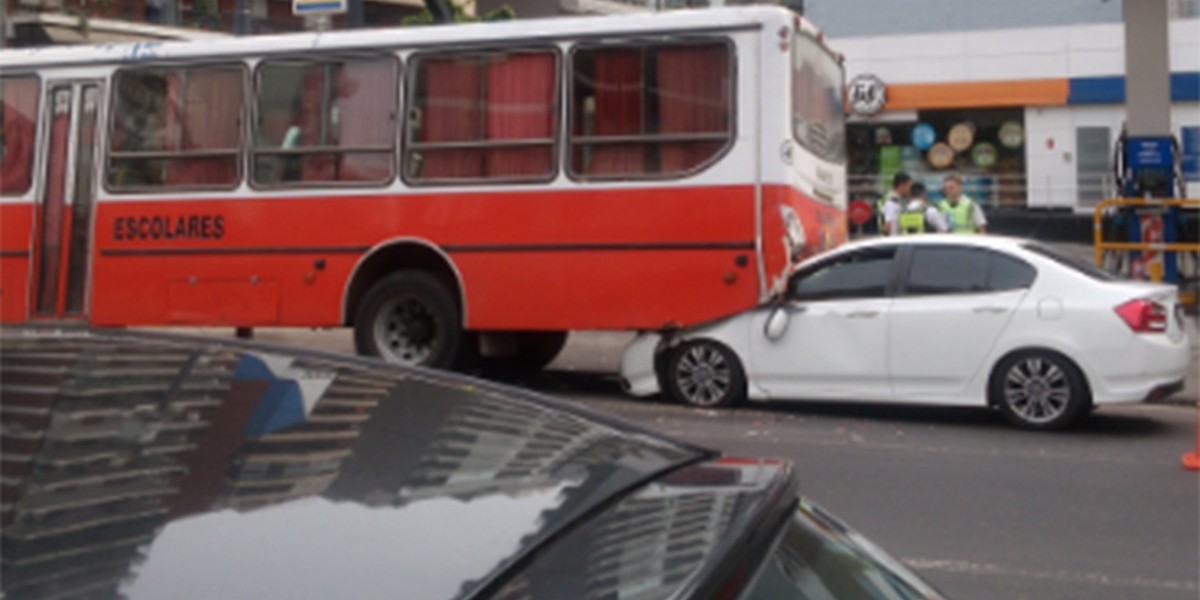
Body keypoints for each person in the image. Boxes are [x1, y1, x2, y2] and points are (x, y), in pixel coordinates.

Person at [876, 172, 912, 236]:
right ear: (902, 185)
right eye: (909, 186)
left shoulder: (897, 200)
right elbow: (887, 226)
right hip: (892, 240)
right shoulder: (892, 202)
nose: (910, 190)